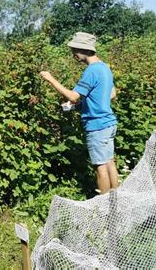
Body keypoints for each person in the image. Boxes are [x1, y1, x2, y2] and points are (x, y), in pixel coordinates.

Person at [39, 32, 118, 194]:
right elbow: (112, 94)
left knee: (100, 168)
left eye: (75, 50)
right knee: (110, 163)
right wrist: (84, 103)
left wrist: (50, 79)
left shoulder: (91, 70)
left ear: (84, 49)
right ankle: (116, 203)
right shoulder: (105, 68)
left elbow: (73, 96)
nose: (73, 54)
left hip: (97, 125)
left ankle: (104, 211)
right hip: (109, 124)